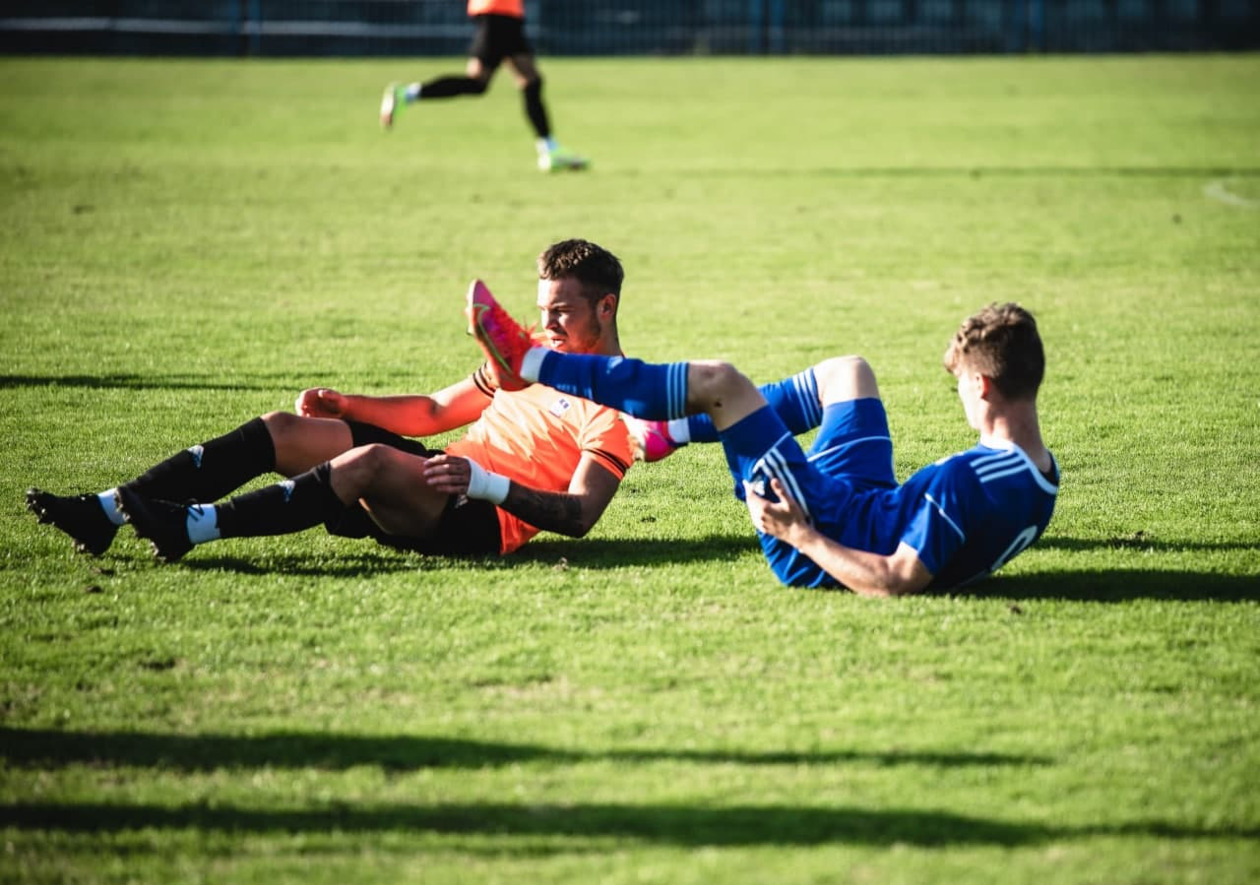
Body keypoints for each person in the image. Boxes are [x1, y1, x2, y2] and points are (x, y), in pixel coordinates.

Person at [27, 239, 632, 563]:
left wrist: (488, 485)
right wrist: (350, 407)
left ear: (605, 308)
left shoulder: (619, 402)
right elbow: (431, 413)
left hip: (479, 518)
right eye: (542, 309)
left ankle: (191, 527)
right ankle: (104, 512)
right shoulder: (529, 355)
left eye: (562, 311)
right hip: (439, 476)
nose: (546, 323)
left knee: (369, 463)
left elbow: (580, 516)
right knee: (284, 429)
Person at [469, 296, 1059, 595]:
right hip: (866, 505)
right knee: (848, 371)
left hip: (823, 531)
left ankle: (531, 362)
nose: (961, 396)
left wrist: (800, 536)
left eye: (961, 385)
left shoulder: (967, 482)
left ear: (983, 386)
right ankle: (671, 432)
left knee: (721, 384)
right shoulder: (1041, 475)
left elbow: (897, 580)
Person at [379, 0, 588, 173]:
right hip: (499, 12)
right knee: (488, 82)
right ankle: (407, 94)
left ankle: (550, 150)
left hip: (500, 12)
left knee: (523, 80)